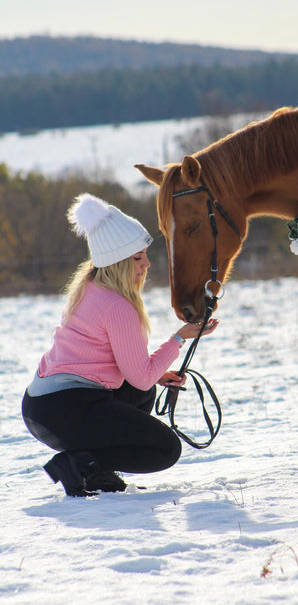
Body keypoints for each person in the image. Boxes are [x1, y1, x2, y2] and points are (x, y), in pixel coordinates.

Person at [21, 193, 218, 497]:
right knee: (165, 449)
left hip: (40, 405)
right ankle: (81, 464)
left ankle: (94, 471)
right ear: (118, 263)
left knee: (143, 390)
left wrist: (157, 372)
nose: (147, 264)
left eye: (145, 256)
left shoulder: (88, 286)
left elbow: (128, 370)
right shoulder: (118, 306)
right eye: (138, 258)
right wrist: (179, 338)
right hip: (65, 408)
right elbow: (140, 375)